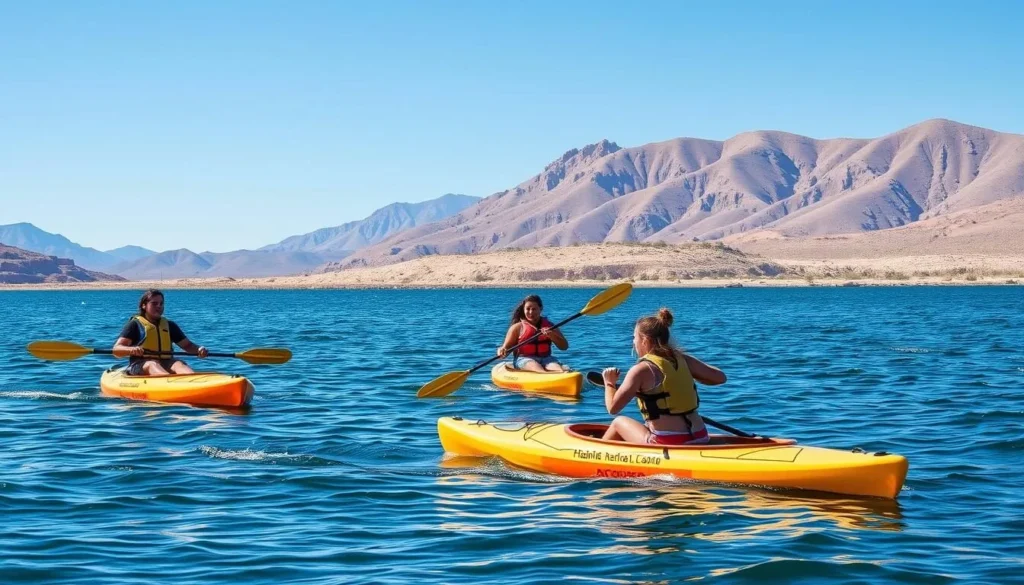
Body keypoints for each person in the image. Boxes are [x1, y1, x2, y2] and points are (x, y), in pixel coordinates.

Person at [600, 308, 726, 445]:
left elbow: (613, 408)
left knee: (618, 422)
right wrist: (686, 376)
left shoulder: (641, 370)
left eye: (634, 337)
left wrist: (609, 383)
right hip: (700, 436)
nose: (633, 342)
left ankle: (595, 458)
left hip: (669, 442)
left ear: (645, 340)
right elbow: (720, 377)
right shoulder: (683, 360)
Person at [112, 289, 208, 376]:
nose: (159, 306)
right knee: (152, 364)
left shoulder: (170, 325)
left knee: (179, 364)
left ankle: (193, 383)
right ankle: (169, 383)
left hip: (166, 363)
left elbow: (187, 346)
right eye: (154, 303)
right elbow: (116, 350)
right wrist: (131, 350)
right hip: (139, 365)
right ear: (144, 305)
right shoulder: (135, 325)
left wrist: (199, 350)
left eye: (161, 304)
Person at [496, 294, 569, 373]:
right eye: (528, 309)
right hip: (524, 359)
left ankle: (560, 376)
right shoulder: (517, 327)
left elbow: (564, 347)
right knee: (537, 368)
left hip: (546, 358)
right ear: (523, 310)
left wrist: (552, 335)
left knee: (559, 369)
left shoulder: (550, 326)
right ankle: (545, 375)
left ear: (540, 309)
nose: (531, 312)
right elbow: (506, 349)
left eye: (534, 309)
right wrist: (502, 350)